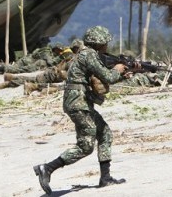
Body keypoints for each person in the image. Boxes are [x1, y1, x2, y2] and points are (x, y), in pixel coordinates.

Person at [33, 26, 128, 195]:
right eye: (105, 42)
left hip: (80, 102)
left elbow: (105, 77)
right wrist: (118, 70)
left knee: (105, 133)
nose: (107, 45)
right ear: (99, 43)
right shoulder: (89, 54)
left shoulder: (87, 54)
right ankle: (47, 168)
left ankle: (105, 178)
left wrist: (122, 74)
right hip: (78, 103)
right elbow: (108, 77)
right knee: (86, 146)